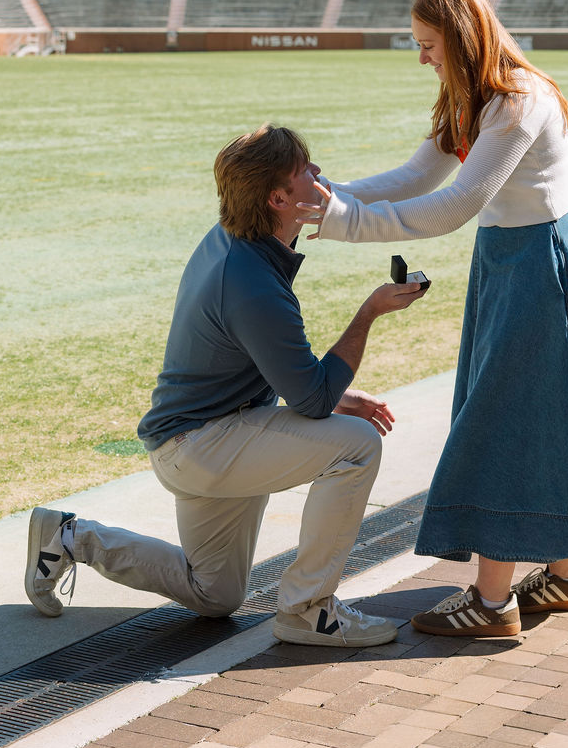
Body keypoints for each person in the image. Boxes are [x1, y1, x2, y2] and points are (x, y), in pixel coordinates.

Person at [303, 0, 568, 639]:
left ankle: (492, 604)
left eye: (429, 45)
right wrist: (327, 196)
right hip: (510, 263)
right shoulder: (472, 98)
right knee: (539, 417)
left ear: (459, 40)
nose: (423, 58)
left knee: (506, 418)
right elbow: (411, 179)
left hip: (545, 263)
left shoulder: (520, 101)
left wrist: (345, 222)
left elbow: (454, 205)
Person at [24, 124, 425, 648]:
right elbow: (312, 399)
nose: (319, 175)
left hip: (197, 438)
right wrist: (370, 311)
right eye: (307, 170)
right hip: (203, 446)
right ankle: (309, 610)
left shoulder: (233, 240)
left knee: (214, 595)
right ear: (279, 198)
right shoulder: (252, 280)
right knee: (356, 446)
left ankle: (69, 537)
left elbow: (272, 368)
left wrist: (337, 395)